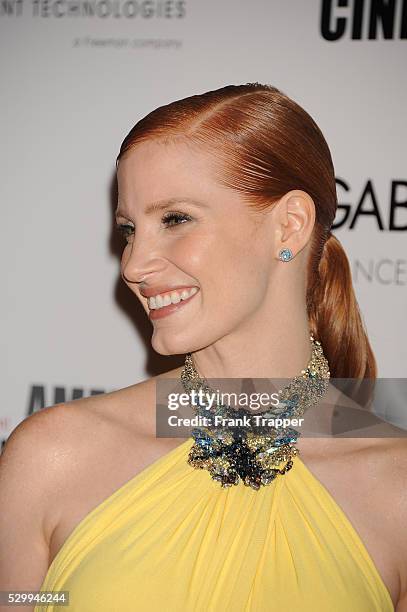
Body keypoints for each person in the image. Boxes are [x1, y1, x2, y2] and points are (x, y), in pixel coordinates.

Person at [0, 82, 406, 611]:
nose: (133, 265)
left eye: (175, 219)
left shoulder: (396, 489)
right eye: (129, 229)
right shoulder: (54, 457)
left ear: (289, 225)